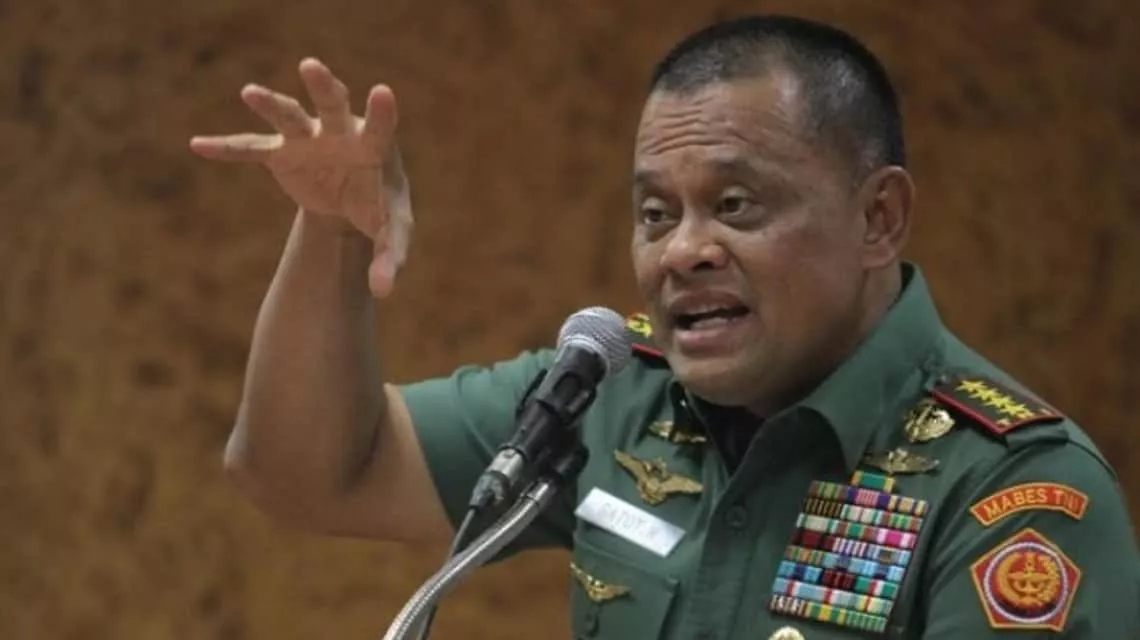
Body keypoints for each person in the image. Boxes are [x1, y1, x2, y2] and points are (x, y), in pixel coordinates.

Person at [191, 14, 1140, 639]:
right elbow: (308, 471)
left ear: (878, 219)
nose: (682, 251)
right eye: (654, 213)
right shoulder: (610, 395)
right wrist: (333, 235)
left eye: (735, 205)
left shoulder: (1012, 491)